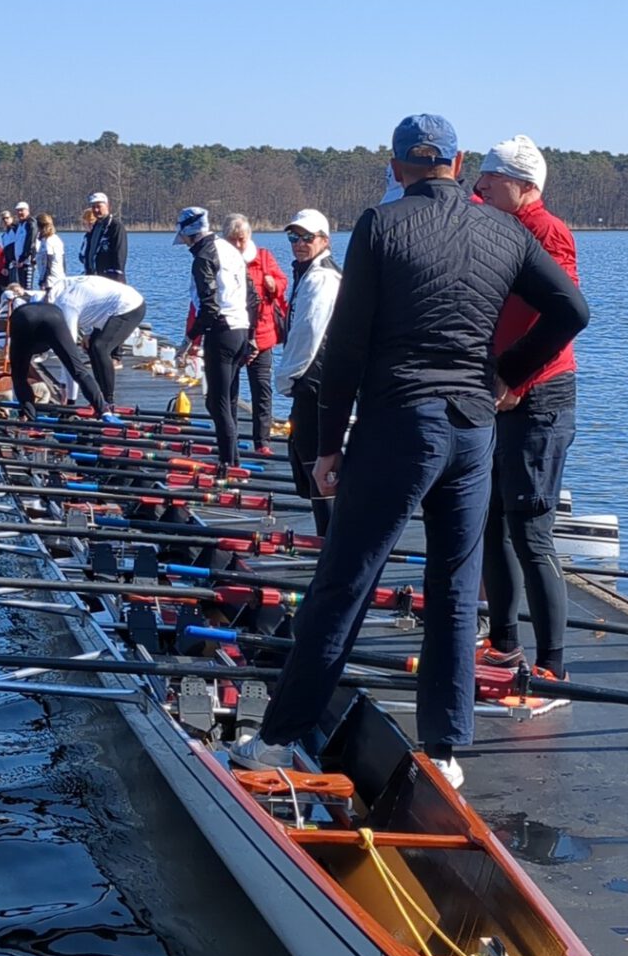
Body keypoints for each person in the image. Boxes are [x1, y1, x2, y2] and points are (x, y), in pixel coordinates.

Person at [232, 114, 589, 789]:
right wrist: (509, 375)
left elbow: (347, 348)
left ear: (397, 168)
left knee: (346, 581)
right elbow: (572, 309)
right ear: (457, 166)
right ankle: (447, 752)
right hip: (473, 432)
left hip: (400, 423)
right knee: (456, 590)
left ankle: (278, 739)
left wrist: (328, 446)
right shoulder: (505, 230)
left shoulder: (381, 225)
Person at [472, 136, 580, 682]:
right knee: (490, 521)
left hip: (538, 396)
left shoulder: (549, 232)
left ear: (525, 186)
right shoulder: (497, 223)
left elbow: (561, 318)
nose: (482, 183)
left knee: (530, 531)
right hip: (501, 392)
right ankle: (503, 643)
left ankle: (552, 663)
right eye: (481, 174)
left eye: (493, 177)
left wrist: (516, 378)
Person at [276, 209, 340, 533]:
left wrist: (285, 377)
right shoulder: (307, 272)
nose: (299, 244)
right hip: (313, 378)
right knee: (308, 456)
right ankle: (326, 536)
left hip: (317, 379)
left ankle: (329, 539)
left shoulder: (321, 278)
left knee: (317, 460)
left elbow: (308, 333)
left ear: (324, 240)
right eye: (293, 237)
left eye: (307, 238)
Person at [174, 206, 249, 470]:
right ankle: (233, 458)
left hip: (222, 331)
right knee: (228, 400)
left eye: (184, 239)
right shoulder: (229, 249)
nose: (184, 245)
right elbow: (249, 296)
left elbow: (209, 308)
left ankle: (227, 463)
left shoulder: (203, 258)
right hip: (241, 329)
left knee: (217, 402)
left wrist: (188, 340)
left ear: (191, 234)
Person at [224, 215, 288, 455]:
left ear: (248, 237)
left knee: (262, 389)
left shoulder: (262, 257)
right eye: (232, 241)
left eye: (241, 240)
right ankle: (230, 438)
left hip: (262, 335)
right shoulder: (222, 262)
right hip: (233, 334)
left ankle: (262, 442)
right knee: (230, 389)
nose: (238, 246)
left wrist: (274, 285)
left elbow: (283, 282)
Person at [0, 289, 107, 419]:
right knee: (79, 371)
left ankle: (29, 415)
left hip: (24, 319)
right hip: (54, 315)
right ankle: (103, 410)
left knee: (19, 376)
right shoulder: (38, 299)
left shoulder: (13, 315)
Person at [50, 271, 148, 406]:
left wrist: (69, 398)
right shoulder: (60, 286)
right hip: (109, 306)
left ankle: (108, 402)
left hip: (131, 307)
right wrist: (88, 332)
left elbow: (69, 353)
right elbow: (88, 302)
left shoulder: (66, 305)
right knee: (92, 347)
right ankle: (100, 398)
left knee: (100, 348)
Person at [80, 192, 128, 281]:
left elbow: (120, 254)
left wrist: (117, 277)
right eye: (93, 207)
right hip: (93, 278)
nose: (96, 210)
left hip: (110, 279)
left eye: (99, 206)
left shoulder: (115, 226)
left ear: (107, 206)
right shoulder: (95, 227)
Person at [35, 210, 65, 292]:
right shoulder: (52, 239)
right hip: (57, 278)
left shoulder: (49, 241)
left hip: (51, 281)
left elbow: (48, 263)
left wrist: (43, 281)